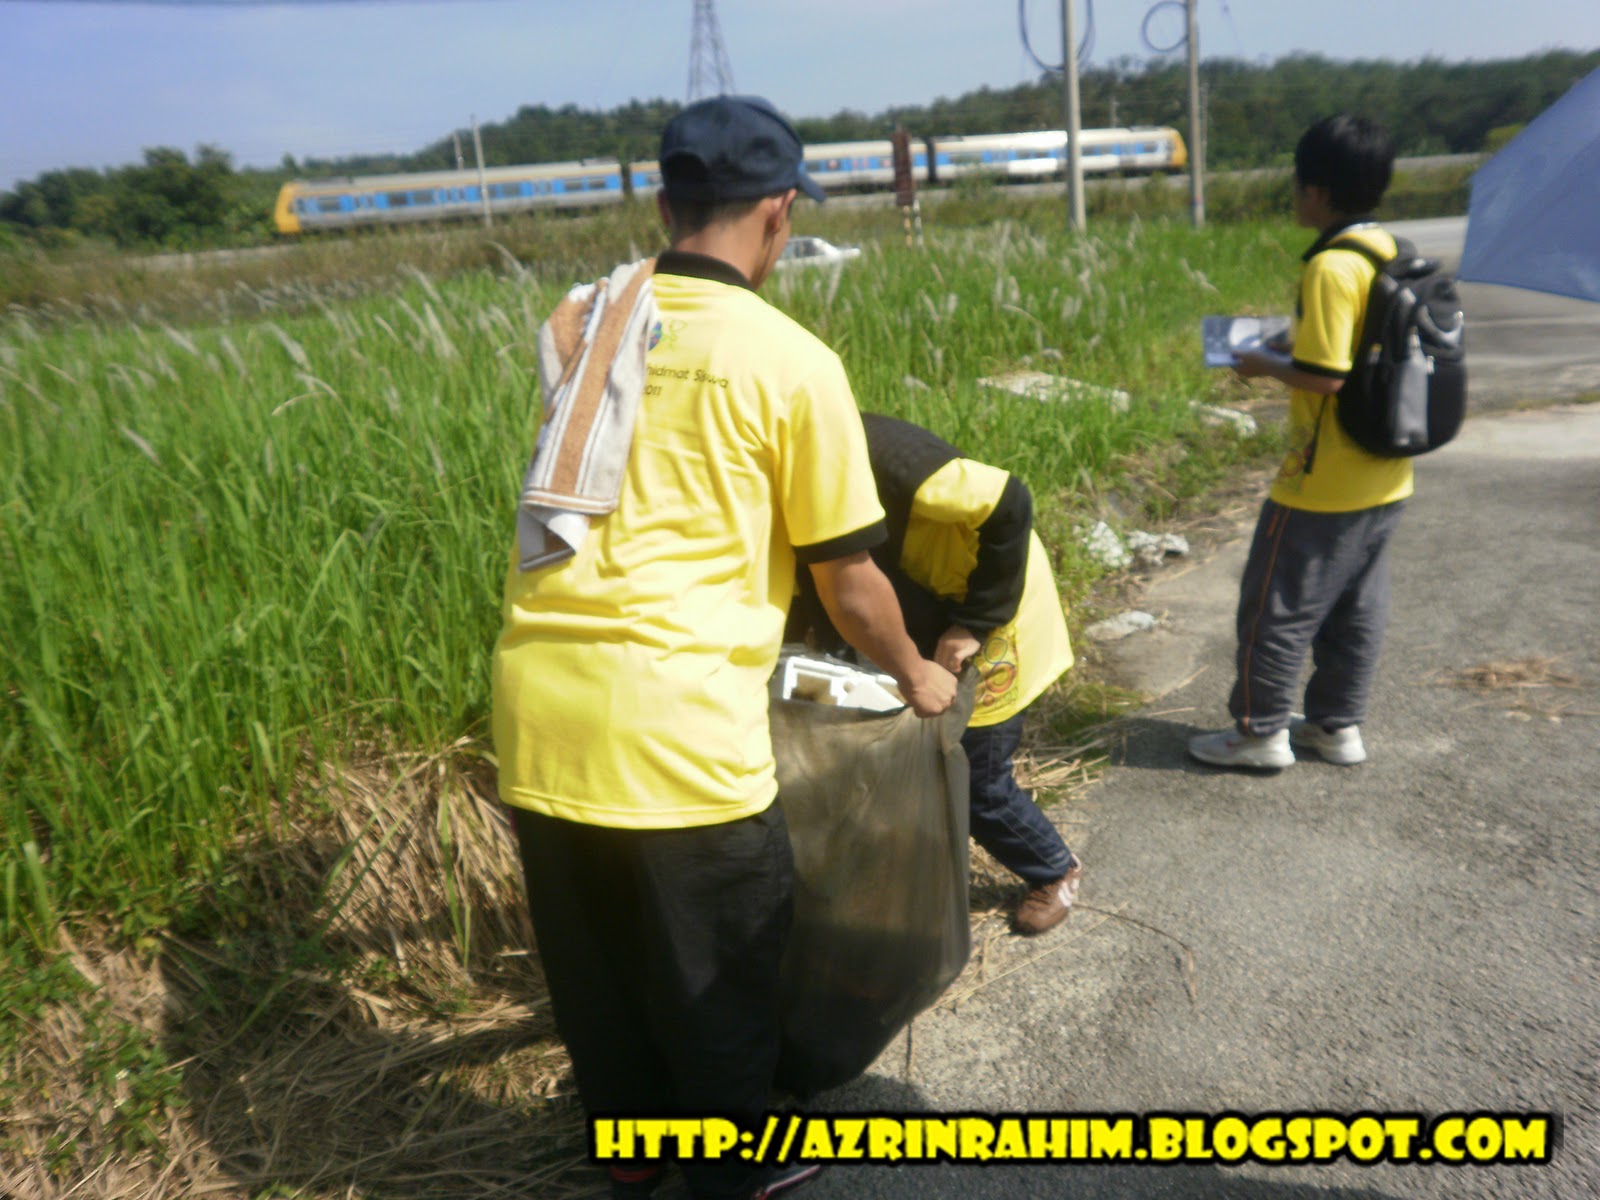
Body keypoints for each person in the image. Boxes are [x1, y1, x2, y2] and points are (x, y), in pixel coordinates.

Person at [491, 95, 956, 1200]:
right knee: (721, 981)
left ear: (662, 200)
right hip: (678, 733)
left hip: (538, 715)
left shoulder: (585, 318)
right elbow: (849, 583)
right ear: (780, 214)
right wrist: (917, 671)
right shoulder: (790, 359)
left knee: (600, 979)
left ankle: (637, 1167)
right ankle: (737, 1176)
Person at [790, 413, 1084, 935]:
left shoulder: (896, 461)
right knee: (890, 741)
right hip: (913, 603)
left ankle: (1053, 868)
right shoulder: (769, 473)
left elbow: (1009, 502)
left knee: (975, 773)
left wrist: (975, 622)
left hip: (986, 612)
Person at [1188, 113, 1406, 771]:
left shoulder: (1331, 267)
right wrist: (1290, 339)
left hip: (1322, 478)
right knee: (1357, 607)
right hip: (1386, 470)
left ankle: (1259, 733)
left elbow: (1327, 376)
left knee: (1275, 608)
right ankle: (1336, 727)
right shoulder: (1386, 250)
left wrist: (1260, 364)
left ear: (1316, 189)